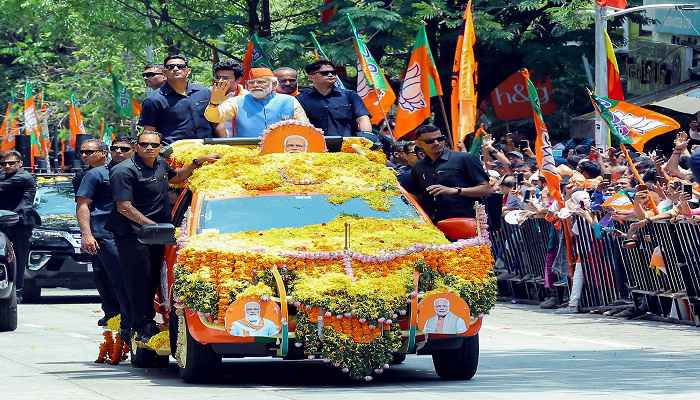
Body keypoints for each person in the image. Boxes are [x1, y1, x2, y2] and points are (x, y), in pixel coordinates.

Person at [107, 131, 218, 343]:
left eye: (154, 145)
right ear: (136, 146)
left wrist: (196, 162)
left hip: (160, 233)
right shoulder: (123, 171)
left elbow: (176, 177)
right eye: (145, 144)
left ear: (159, 147)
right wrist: (153, 226)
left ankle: (151, 322)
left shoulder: (159, 163)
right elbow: (124, 207)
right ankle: (141, 327)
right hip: (134, 235)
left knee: (156, 280)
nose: (149, 148)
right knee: (140, 282)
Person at [75, 139, 125, 326]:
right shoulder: (91, 175)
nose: (84, 155)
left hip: (123, 231)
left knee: (112, 274)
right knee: (108, 275)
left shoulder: (128, 171)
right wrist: (86, 234)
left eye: (89, 152)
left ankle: (119, 314)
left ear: (103, 153)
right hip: (102, 231)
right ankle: (116, 314)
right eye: (82, 152)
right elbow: (82, 205)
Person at [404, 124, 492, 222]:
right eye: (430, 141)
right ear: (419, 144)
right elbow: (418, 197)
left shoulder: (464, 158)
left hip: (467, 224)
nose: (436, 143)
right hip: (435, 228)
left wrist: (455, 191)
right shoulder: (418, 167)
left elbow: (487, 189)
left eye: (440, 138)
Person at [205, 67, 308, 137]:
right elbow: (214, 117)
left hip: (281, 154)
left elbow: (306, 129)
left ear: (274, 84)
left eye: (261, 82)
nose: (255, 85)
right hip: (247, 155)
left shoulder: (289, 101)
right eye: (251, 82)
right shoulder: (237, 101)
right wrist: (214, 103)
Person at [139, 54, 215, 144]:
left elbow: (217, 123)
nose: (175, 69)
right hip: (174, 153)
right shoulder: (153, 100)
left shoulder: (205, 93)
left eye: (181, 66)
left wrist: (227, 145)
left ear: (188, 71)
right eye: (170, 67)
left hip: (208, 149)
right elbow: (149, 132)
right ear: (164, 72)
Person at [0, 150, 38, 303]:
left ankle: (18, 292)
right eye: (3, 164)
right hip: (4, 221)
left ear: (20, 163)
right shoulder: (5, 176)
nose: (7, 166)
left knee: (19, 258)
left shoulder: (24, 177)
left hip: (21, 223)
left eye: (11, 163)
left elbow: (3, 185)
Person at [297, 60, 372, 137]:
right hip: (317, 145)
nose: (330, 75)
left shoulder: (350, 95)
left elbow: (363, 118)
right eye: (324, 73)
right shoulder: (301, 99)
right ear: (311, 77)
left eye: (333, 72)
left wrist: (367, 137)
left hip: (347, 145)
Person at [211, 60, 248, 138]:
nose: (220, 81)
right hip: (216, 144)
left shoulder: (248, 97)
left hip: (244, 143)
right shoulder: (209, 95)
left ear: (238, 79)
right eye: (218, 77)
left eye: (225, 78)